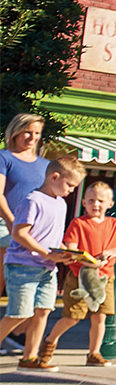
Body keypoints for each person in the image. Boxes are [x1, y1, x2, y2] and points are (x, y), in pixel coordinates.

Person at [40, 181, 116, 367]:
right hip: (80, 278)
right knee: (72, 317)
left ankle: (94, 353)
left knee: (100, 317)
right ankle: (49, 342)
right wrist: (85, 260)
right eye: (91, 200)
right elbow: (71, 248)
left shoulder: (115, 224)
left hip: (105, 278)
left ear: (110, 204)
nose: (96, 204)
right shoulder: (78, 223)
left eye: (101, 200)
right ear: (84, 202)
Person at [1, 156, 83, 371]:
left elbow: (52, 236)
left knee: (43, 311)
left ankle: (29, 358)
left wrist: (63, 253)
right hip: (22, 265)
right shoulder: (33, 200)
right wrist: (47, 253)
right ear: (54, 177)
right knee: (20, 313)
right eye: (70, 185)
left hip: (47, 267)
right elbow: (19, 234)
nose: (71, 191)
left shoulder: (61, 204)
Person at [0, 114, 47, 357]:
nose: (32, 137)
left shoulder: (45, 165)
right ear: (15, 132)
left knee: (32, 288)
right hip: (5, 226)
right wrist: (10, 222)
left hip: (35, 232)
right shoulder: (4, 157)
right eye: (27, 131)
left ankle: (15, 336)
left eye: (37, 133)